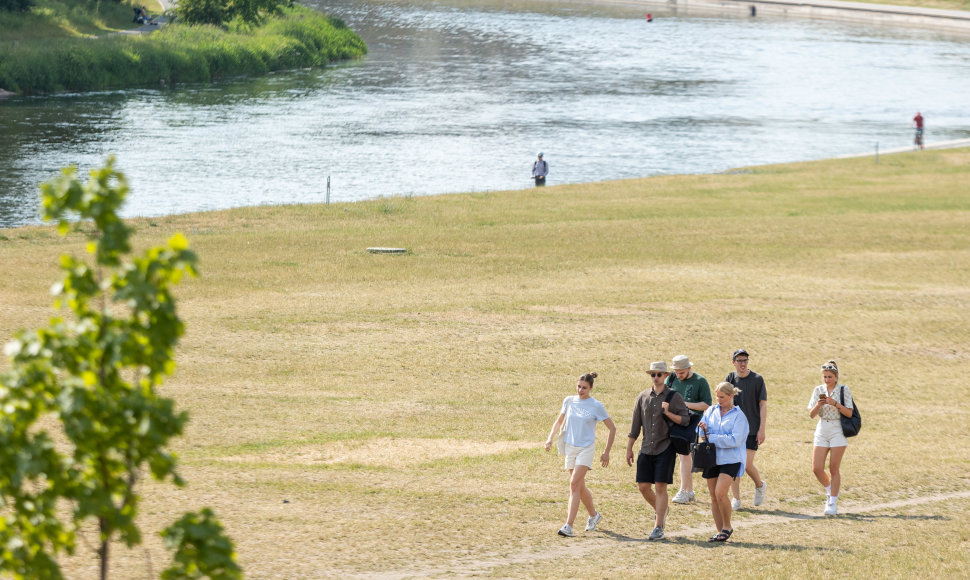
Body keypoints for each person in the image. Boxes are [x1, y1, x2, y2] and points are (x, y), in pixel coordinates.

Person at [544, 372, 616, 537]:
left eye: (584, 388)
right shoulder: (569, 401)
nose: (580, 390)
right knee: (579, 486)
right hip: (570, 447)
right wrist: (549, 439)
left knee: (574, 484)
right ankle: (594, 515)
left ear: (591, 388)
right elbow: (559, 421)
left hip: (586, 448)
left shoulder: (596, 405)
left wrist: (606, 452)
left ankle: (568, 525)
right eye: (578, 386)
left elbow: (612, 428)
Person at [626, 361, 689, 541]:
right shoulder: (643, 396)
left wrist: (668, 413)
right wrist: (629, 448)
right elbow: (635, 425)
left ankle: (658, 526)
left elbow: (684, 420)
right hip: (646, 447)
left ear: (666, 376)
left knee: (661, 487)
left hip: (666, 447)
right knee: (643, 487)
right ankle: (662, 510)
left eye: (659, 374)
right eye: (653, 374)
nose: (655, 377)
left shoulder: (674, 397)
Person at [698, 382, 749, 542]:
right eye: (717, 396)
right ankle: (720, 531)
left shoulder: (739, 416)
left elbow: (735, 440)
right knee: (713, 496)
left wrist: (711, 437)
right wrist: (704, 431)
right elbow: (700, 432)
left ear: (731, 396)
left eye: (722, 397)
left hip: (731, 459)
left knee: (721, 492)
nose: (719, 400)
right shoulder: (710, 411)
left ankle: (727, 526)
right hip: (711, 457)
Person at [808, 360, 854, 516]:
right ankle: (830, 489)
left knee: (834, 468)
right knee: (817, 468)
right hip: (822, 428)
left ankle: (832, 502)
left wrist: (835, 404)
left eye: (829, 377)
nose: (827, 380)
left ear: (836, 376)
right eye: (825, 377)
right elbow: (811, 415)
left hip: (838, 429)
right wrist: (819, 405)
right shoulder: (818, 390)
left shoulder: (844, 390)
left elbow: (849, 413)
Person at [725, 348, 767, 509]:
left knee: (747, 464)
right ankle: (736, 499)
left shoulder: (757, 379)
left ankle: (760, 485)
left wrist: (762, 429)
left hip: (751, 428)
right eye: (739, 360)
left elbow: (762, 405)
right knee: (735, 463)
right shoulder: (730, 378)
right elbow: (722, 400)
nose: (742, 363)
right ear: (733, 362)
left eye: (745, 360)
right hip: (734, 429)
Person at [667, 354, 711, 504]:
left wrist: (684, 404)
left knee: (685, 455)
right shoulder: (671, 379)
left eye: (682, 373)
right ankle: (689, 491)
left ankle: (684, 491)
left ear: (689, 368)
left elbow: (706, 404)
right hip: (674, 420)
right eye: (677, 372)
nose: (679, 375)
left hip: (693, 421)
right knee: (682, 456)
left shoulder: (700, 381)